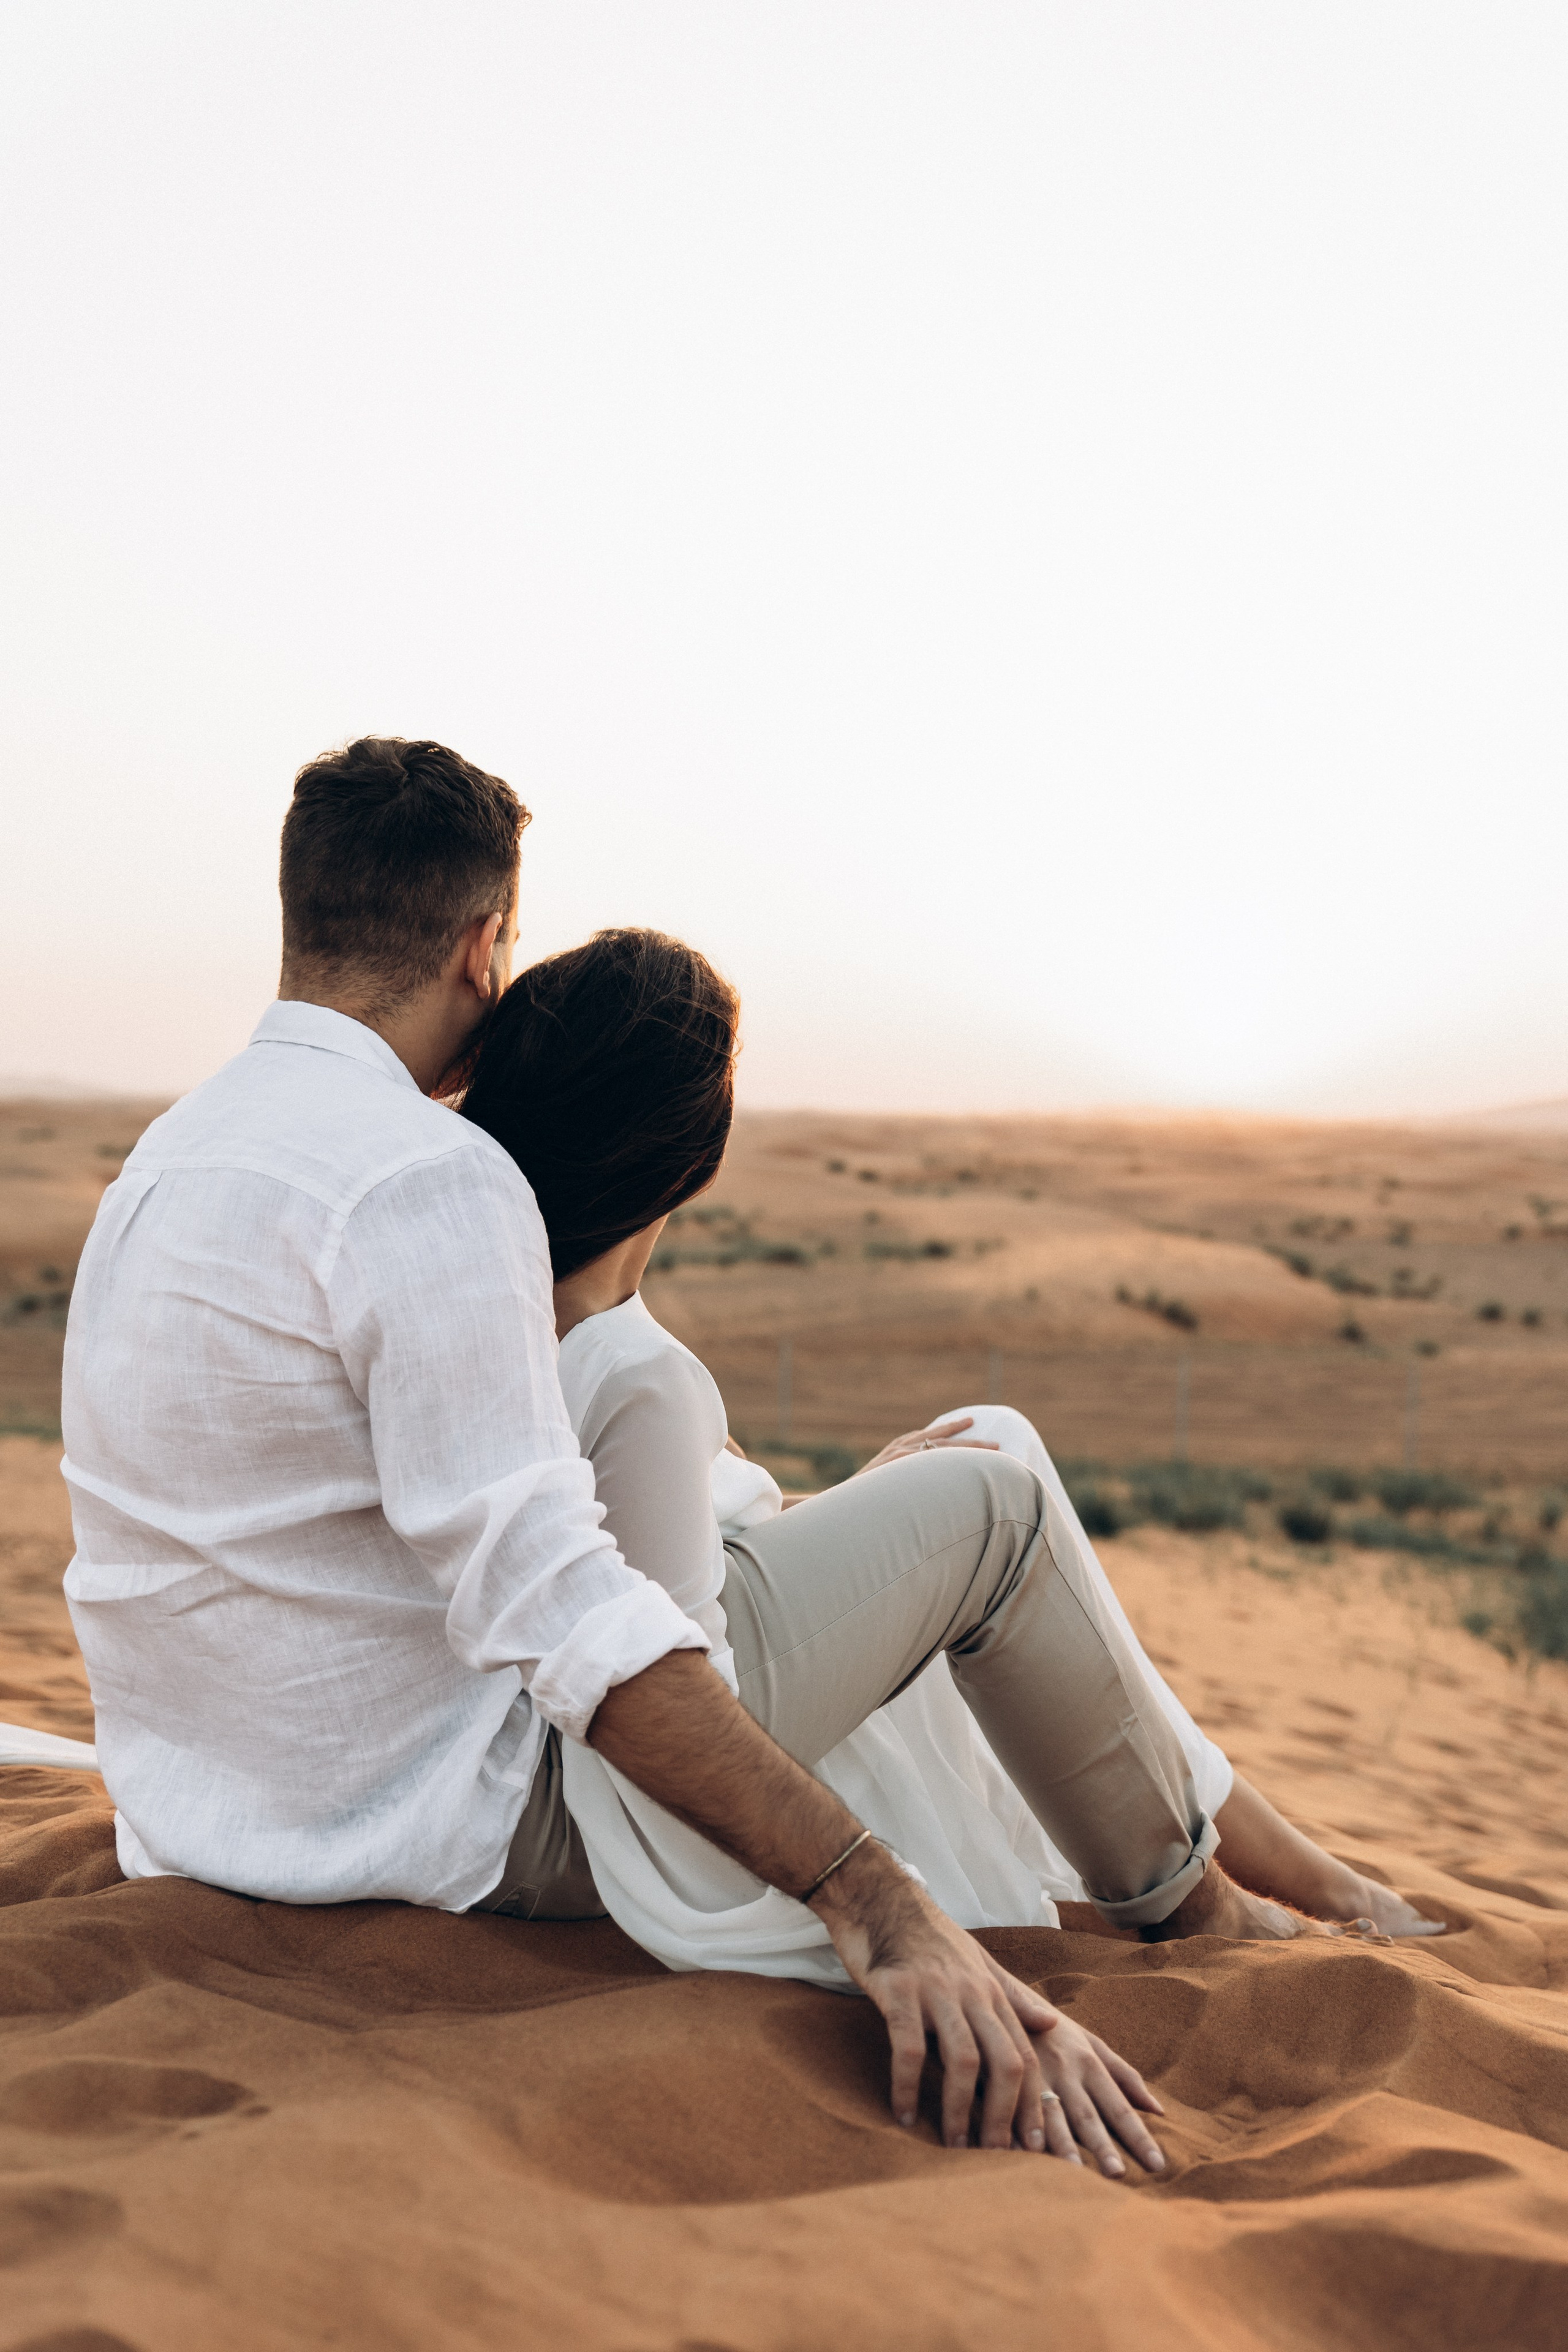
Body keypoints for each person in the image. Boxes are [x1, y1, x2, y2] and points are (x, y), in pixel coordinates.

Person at [54, 740, 1392, 2185]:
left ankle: (1225, 1857)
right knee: (996, 1500)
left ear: (296, 912)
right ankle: (1196, 1919)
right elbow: (560, 1608)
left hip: (201, 1825)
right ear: (482, 946)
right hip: (450, 1840)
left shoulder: (163, 1167)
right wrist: (872, 1898)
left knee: (883, 1525)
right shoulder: (428, 1181)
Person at [456, 926, 1442, 2024]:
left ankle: (1286, 1857)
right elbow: (686, 1695)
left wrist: (853, 1515)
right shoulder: (633, 1369)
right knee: (997, 1504)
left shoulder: (501, 1316)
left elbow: (631, 1560)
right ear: (695, 1157)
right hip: (667, 1771)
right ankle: (1198, 1899)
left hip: (658, 1669)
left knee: (992, 1438)